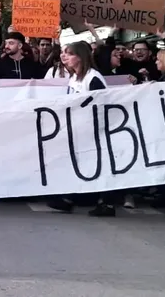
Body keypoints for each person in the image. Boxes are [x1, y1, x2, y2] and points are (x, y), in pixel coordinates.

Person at [47, 41, 116, 216]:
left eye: (69, 54)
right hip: (78, 129)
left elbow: (101, 105)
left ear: (80, 57)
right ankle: (70, 197)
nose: (65, 57)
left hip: (93, 130)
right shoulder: (74, 78)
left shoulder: (93, 78)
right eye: (64, 53)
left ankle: (107, 203)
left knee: (100, 164)